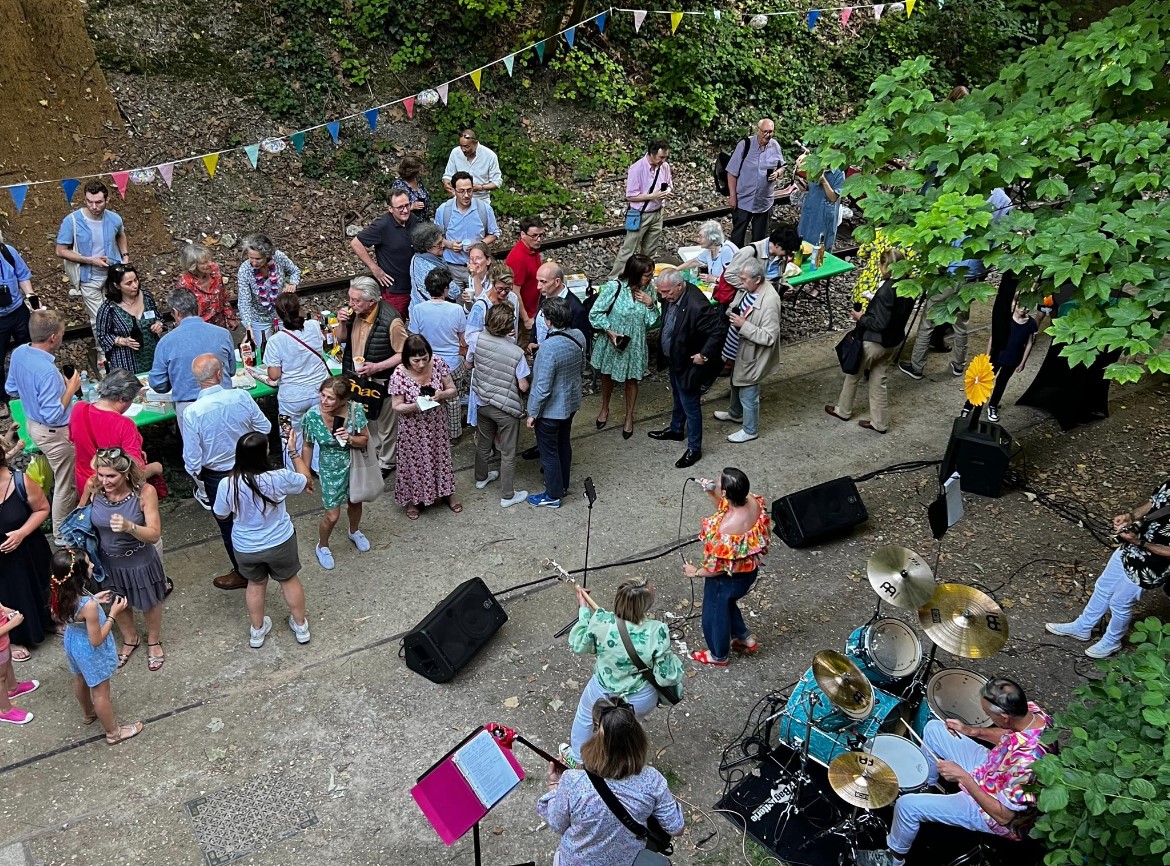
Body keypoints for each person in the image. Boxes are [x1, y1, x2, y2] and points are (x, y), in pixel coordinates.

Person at [858, 678, 1050, 866]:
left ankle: (893, 859)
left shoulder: (1025, 764)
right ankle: (927, 787)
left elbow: (1004, 817)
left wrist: (963, 777)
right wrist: (973, 731)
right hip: (993, 768)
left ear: (1005, 717)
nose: (989, 719)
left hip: (991, 810)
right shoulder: (1034, 716)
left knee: (906, 806)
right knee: (934, 729)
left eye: (989, 715)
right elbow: (1009, 734)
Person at [537, 695, 685, 866]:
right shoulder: (652, 780)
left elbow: (557, 825)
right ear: (637, 738)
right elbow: (677, 828)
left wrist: (554, 785)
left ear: (596, 733)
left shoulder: (573, 781)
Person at [563, 578, 684, 765]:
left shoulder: (602, 621)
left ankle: (577, 759)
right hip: (640, 698)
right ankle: (621, 765)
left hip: (602, 691)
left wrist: (584, 611)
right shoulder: (657, 631)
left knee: (585, 717)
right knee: (624, 727)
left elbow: (580, 644)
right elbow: (667, 676)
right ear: (644, 605)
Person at [1046, 479, 1170, 658]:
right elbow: (1154, 502)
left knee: (1120, 603)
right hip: (1131, 546)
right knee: (1103, 586)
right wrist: (1131, 516)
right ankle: (1083, 626)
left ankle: (1112, 641)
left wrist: (1140, 542)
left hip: (1152, 566)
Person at [900, 188, 1014, 380]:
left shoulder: (962, 191)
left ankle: (917, 365)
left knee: (928, 320)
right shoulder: (1004, 200)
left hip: (950, 271)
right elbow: (999, 239)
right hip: (973, 274)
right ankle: (958, 365)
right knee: (961, 322)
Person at [213, 431, 312, 648]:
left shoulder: (227, 484)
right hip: (280, 541)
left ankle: (257, 632)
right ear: (264, 453)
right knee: (288, 580)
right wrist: (293, 451)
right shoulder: (279, 477)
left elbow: (221, 514)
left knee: (255, 584)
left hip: (246, 546)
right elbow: (306, 480)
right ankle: (301, 626)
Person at [182, 354, 272, 591]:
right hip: (251, 467)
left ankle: (245, 572)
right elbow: (265, 427)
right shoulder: (241, 396)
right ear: (220, 374)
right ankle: (267, 560)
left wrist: (198, 475)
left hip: (217, 476)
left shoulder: (192, 412)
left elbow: (191, 459)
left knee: (228, 525)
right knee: (259, 514)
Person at [83, 446, 168, 672]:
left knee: (149, 602)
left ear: (126, 473)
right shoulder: (94, 486)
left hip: (138, 560)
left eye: (111, 476)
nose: (105, 480)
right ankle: (130, 639)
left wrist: (130, 527)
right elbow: (80, 516)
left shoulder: (144, 492)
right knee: (116, 603)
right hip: (107, 562)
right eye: (101, 474)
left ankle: (154, 641)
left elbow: (154, 534)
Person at [48, 549, 143, 744]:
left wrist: (94, 598)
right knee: (100, 691)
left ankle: (88, 713)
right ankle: (113, 733)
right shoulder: (87, 606)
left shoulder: (59, 589)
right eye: (89, 563)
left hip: (73, 642)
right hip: (89, 650)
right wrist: (112, 614)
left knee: (80, 678)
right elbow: (96, 639)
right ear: (79, 573)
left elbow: (70, 611)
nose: (92, 565)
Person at [4, 309, 81, 545]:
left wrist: (32, 395)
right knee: (65, 484)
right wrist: (70, 387)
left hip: (34, 426)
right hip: (54, 432)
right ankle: (61, 533)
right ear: (53, 338)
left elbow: (11, 389)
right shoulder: (47, 371)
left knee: (55, 474)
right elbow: (53, 413)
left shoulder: (19, 352)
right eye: (62, 333)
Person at [684, 468, 771, 666]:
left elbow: (718, 569)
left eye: (719, 482)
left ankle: (718, 654)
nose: (716, 480)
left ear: (725, 493)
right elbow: (726, 509)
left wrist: (695, 572)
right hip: (749, 571)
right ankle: (744, 637)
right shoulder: (752, 501)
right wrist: (711, 492)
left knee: (714, 613)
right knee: (727, 603)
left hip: (728, 579)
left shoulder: (727, 529)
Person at [825, 249, 912, 434]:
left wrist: (861, 317)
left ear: (884, 265)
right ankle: (879, 423)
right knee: (878, 380)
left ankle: (843, 410)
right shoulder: (908, 286)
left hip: (875, 342)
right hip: (893, 341)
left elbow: (879, 323)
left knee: (853, 375)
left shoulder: (886, 290)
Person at [647, 269, 727, 468]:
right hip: (675, 359)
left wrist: (704, 354)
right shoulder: (671, 295)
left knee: (690, 404)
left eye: (666, 293)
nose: (663, 297)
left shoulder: (697, 306)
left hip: (689, 362)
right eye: (661, 293)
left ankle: (694, 448)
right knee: (678, 394)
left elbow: (718, 330)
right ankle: (676, 430)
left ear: (679, 286)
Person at [333, 276, 407, 477]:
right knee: (368, 420)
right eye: (350, 299)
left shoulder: (391, 321)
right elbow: (340, 340)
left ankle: (387, 462)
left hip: (382, 380)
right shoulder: (354, 314)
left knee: (386, 425)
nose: (351, 304)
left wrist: (377, 366)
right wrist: (341, 324)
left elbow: (404, 354)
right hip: (359, 379)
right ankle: (373, 455)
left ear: (372, 301)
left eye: (356, 301)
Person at [299, 376, 371, 570]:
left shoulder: (355, 410)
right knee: (332, 515)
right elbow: (307, 445)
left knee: (355, 501)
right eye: (322, 395)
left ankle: (354, 531)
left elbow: (365, 439)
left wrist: (350, 438)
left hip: (354, 466)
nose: (324, 401)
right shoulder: (312, 416)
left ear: (343, 400)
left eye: (330, 398)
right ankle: (322, 545)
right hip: (330, 470)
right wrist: (305, 473)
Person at [390, 335, 460, 519]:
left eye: (424, 359)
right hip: (412, 427)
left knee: (440, 458)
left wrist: (441, 395)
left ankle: (447, 492)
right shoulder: (399, 374)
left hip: (436, 424)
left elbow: (452, 389)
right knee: (414, 463)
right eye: (416, 360)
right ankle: (414, 500)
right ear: (407, 358)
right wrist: (415, 406)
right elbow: (396, 406)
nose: (421, 364)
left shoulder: (437, 362)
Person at [589, 255, 658, 440]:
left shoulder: (649, 289)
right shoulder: (615, 287)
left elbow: (652, 321)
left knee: (632, 380)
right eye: (647, 275)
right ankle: (605, 407)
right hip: (614, 342)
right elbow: (595, 313)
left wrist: (650, 304)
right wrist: (609, 331)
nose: (650, 278)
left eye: (651, 275)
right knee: (607, 376)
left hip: (634, 344)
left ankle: (629, 416)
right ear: (635, 274)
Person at [713, 258, 782, 443]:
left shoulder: (770, 301)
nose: (740, 283)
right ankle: (735, 413)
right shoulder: (749, 288)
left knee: (748, 392)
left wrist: (743, 325)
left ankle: (750, 430)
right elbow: (737, 307)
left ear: (757, 279)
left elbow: (769, 337)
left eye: (744, 279)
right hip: (739, 350)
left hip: (753, 356)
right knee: (736, 382)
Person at [526, 297, 585, 508]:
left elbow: (542, 387)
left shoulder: (548, 348)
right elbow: (581, 366)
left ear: (549, 321)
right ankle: (562, 485)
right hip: (570, 403)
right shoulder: (578, 336)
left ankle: (552, 494)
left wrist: (532, 413)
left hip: (551, 410)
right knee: (563, 445)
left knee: (548, 453)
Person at [471, 302, 530, 508]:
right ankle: (507, 494)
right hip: (506, 408)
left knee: (484, 443)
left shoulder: (477, 340)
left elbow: (469, 363)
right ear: (509, 327)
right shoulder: (516, 353)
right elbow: (523, 386)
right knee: (508, 452)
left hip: (482, 401)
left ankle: (481, 477)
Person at [54, 181, 129, 342]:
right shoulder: (72, 220)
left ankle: (122, 348)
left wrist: (125, 256)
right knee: (99, 319)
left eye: (98, 202)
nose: (94, 206)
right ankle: (104, 356)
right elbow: (60, 250)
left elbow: (121, 234)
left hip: (113, 275)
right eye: (90, 202)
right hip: (89, 277)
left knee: (119, 313)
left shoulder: (114, 218)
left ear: (107, 201)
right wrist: (90, 260)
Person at [148, 289, 235, 426]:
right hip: (225, 401)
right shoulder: (223, 334)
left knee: (195, 447)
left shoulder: (166, 342)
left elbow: (158, 384)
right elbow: (231, 371)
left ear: (176, 312)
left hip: (189, 408)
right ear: (197, 307)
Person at [69, 369, 163, 495]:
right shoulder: (124, 425)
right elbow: (136, 473)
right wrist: (155, 468)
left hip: (87, 486)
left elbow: (74, 438)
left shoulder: (79, 408)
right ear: (122, 398)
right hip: (114, 491)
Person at [0, 447, 53, 665]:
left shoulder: (20, 481)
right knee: (9, 595)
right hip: (2, 561)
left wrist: (22, 533)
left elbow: (42, 508)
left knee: (39, 586)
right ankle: (12, 637)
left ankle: (49, 622)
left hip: (29, 549)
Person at [263, 293, 330, 463]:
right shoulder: (314, 325)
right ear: (299, 308)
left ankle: (295, 470)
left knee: (289, 432)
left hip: (291, 399)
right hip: (319, 392)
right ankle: (317, 466)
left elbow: (274, 375)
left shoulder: (275, 340)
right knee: (319, 428)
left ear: (278, 315)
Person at [409, 267, 468, 441]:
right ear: (446, 289)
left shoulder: (418, 309)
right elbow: (462, 338)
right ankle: (454, 433)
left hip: (428, 363)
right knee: (453, 398)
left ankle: (432, 431)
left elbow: (414, 335)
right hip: (452, 362)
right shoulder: (456, 310)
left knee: (430, 397)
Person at [960, 297, 1038, 424]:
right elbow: (994, 337)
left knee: (1002, 383)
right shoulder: (1006, 318)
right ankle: (969, 405)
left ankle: (992, 406)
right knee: (982, 380)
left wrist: (1023, 362)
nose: (1023, 309)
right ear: (1015, 304)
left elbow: (1029, 343)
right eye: (1021, 305)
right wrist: (987, 355)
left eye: (1026, 306)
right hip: (996, 356)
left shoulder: (1031, 324)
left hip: (1013, 359)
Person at [608, 140, 673, 280]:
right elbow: (630, 196)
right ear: (651, 154)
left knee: (650, 251)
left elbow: (668, 184)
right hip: (641, 214)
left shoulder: (665, 167)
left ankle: (642, 278)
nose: (664, 160)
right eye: (661, 157)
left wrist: (667, 192)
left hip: (657, 213)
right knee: (628, 250)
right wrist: (653, 196)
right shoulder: (637, 168)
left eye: (666, 157)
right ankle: (614, 280)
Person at [350, 190, 419, 319]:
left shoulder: (413, 219)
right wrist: (374, 268)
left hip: (415, 286)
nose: (405, 210)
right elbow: (355, 243)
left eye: (407, 205)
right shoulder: (382, 225)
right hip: (395, 289)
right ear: (391, 209)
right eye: (400, 207)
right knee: (395, 323)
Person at [94, 263, 164, 374]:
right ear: (117, 286)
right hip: (126, 363)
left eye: (136, 280)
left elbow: (158, 316)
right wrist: (123, 341)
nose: (135, 286)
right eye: (129, 283)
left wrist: (158, 324)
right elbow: (102, 336)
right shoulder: (109, 309)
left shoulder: (146, 297)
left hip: (153, 356)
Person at [727, 119, 785, 247]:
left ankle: (756, 264)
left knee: (760, 240)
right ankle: (734, 262)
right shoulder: (745, 145)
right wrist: (732, 196)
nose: (767, 135)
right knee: (737, 237)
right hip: (744, 199)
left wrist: (778, 173)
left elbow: (782, 166)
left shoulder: (775, 145)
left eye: (770, 132)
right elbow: (731, 172)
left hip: (764, 200)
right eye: (765, 131)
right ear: (758, 130)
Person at [436, 171, 500, 285]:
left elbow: (494, 233)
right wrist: (450, 244)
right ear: (453, 190)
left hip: (478, 267)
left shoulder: (484, 209)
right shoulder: (444, 210)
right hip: (452, 267)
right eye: (461, 191)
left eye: (469, 190)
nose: (466, 195)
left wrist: (479, 245)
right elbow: (436, 237)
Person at [236, 234, 300, 347]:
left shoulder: (278, 257)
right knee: (264, 349)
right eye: (251, 258)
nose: (254, 263)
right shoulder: (245, 270)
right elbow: (244, 301)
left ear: (268, 255)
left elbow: (294, 271)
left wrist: (293, 283)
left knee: (289, 345)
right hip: (259, 317)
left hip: (282, 312)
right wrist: (248, 326)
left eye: (258, 259)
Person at [0, 232, 34, 419]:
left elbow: (23, 276)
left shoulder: (8, 252)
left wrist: (31, 298)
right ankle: (1, 400)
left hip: (18, 310)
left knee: (29, 349)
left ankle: (31, 388)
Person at [529, 261, 591, 354]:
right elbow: (538, 321)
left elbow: (582, 345)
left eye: (543, 282)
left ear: (557, 281)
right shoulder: (546, 293)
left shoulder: (576, 309)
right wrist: (532, 341)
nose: (538, 286)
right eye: (538, 281)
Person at [177, 243, 239, 330]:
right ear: (193, 265)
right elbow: (183, 315)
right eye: (204, 262)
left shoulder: (215, 270)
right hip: (199, 328)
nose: (210, 263)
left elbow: (222, 295)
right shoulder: (185, 284)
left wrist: (230, 316)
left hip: (219, 324)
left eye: (209, 260)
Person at [408, 222, 459, 317]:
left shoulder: (416, 258)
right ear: (427, 248)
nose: (443, 245)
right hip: (433, 315)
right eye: (439, 244)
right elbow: (454, 292)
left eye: (442, 240)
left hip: (417, 311)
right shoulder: (432, 268)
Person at [796, 160, 846, 252]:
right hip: (810, 209)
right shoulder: (814, 166)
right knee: (802, 240)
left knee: (820, 246)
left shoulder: (839, 173)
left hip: (824, 213)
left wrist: (823, 180)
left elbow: (833, 198)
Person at [442, 129, 502, 204]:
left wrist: (481, 187)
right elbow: (448, 175)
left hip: (481, 200)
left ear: (475, 143)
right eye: (461, 146)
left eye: (466, 146)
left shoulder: (490, 156)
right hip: (459, 199)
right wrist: (446, 182)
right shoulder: (455, 152)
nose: (463, 149)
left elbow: (497, 182)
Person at [505, 216, 546, 325]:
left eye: (541, 235)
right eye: (534, 236)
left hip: (534, 310)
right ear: (523, 235)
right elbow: (514, 292)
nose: (538, 239)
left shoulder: (533, 248)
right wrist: (526, 319)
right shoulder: (518, 258)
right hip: (523, 317)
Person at [0, 598, 34, 724]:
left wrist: (6, 610)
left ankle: (12, 687)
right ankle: (4, 710)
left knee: (7, 662)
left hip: (3, 642)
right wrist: (12, 623)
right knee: (0, 678)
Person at [391, 154, 432, 220]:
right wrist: (411, 207)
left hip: (424, 221)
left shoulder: (417, 180)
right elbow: (395, 208)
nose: (421, 172)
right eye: (419, 170)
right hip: (409, 224)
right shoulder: (399, 186)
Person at [460, 243, 494, 311]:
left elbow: (483, 305)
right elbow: (471, 308)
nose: (474, 262)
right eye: (471, 259)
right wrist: (467, 302)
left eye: (478, 258)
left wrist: (475, 275)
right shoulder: (471, 277)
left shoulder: (494, 279)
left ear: (488, 261)